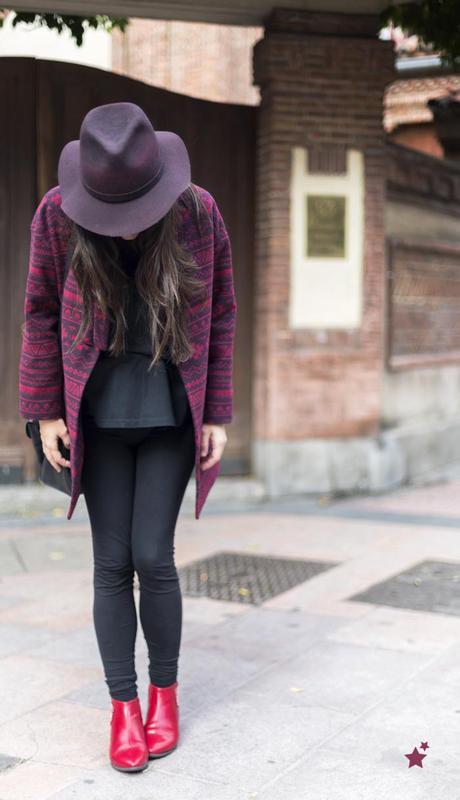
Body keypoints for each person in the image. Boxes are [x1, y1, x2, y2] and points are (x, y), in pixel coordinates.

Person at [18, 102, 237, 773]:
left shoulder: (198, 213)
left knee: (154, 555)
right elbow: (40, 309)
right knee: (112, 563)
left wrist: (219, 414)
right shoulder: (57, 214)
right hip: (97, 409)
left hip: (172, 406)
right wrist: (44, 409)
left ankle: (164, 695)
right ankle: (123, 707)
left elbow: (223, 310)